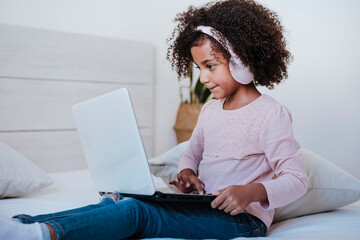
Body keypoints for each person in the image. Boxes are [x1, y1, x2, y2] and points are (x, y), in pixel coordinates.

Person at [0, 0, 308, 239]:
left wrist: (250, 192)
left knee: (138, 212)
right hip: (205, 206)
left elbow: (297, 180)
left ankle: (43, 235)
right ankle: (23, 226)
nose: (203, 78)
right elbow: (192, 149)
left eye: (210, 66)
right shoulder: (210, 111)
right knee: (120, 198)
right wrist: (187, 171)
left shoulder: (270, 113)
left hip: (244, 220)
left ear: (241, 60)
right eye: (198, 68)